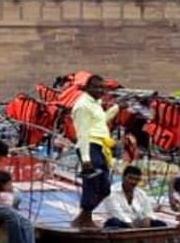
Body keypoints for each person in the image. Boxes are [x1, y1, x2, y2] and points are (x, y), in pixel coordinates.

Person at [70, 76, 117, 228]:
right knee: (91, 184)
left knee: (105, 188)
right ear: (87, 88)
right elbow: (82, 132)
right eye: (96, 87)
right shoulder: (82, 106)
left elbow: (101, 121)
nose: (100, 91)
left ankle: (82, 217)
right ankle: (86, 219)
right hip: (89, 146)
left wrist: (116, 108)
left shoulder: (96, 104)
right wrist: (85, 158)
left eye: (102, 88)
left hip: (100, 146)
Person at [94, 165, 165, 229]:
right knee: (114, 223)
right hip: (120, 223)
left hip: (137, 224)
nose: (133, 182)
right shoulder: (112, 192)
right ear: (123, 177)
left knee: (160, 224)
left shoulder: (141, 193)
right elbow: (117, 213)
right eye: (130, 178)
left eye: (136, 179)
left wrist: (147, 218)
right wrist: (132, 227)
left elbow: (148, 211)